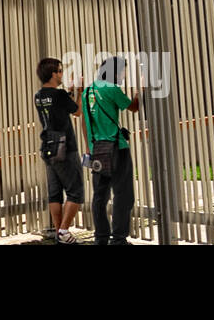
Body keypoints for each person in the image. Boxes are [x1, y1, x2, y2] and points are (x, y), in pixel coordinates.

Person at [83, 55, 140, 246]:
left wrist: (89, 147)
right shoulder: (111, 88)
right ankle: (118, 239)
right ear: (115, 72)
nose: (124, 75)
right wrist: (140, 93)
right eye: (123, 71)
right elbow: (133, 107)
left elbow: (85, 121)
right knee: (123, 195)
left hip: (97, 149)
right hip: (116, 148)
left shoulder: (88, 90)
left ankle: (101, 238)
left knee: (100, 195)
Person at [34, 57, 83, 243]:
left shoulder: (39, 96)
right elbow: (77, 111)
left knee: (55, 193)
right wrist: (80, 91)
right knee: (75, 192)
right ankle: (63, 231)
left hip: (48, 146)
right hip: (66, 147)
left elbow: (58, 107)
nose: (62, 74)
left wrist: (69, 92)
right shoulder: (59, 95)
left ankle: (59, 233)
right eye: (60, 71)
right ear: (53, 73)